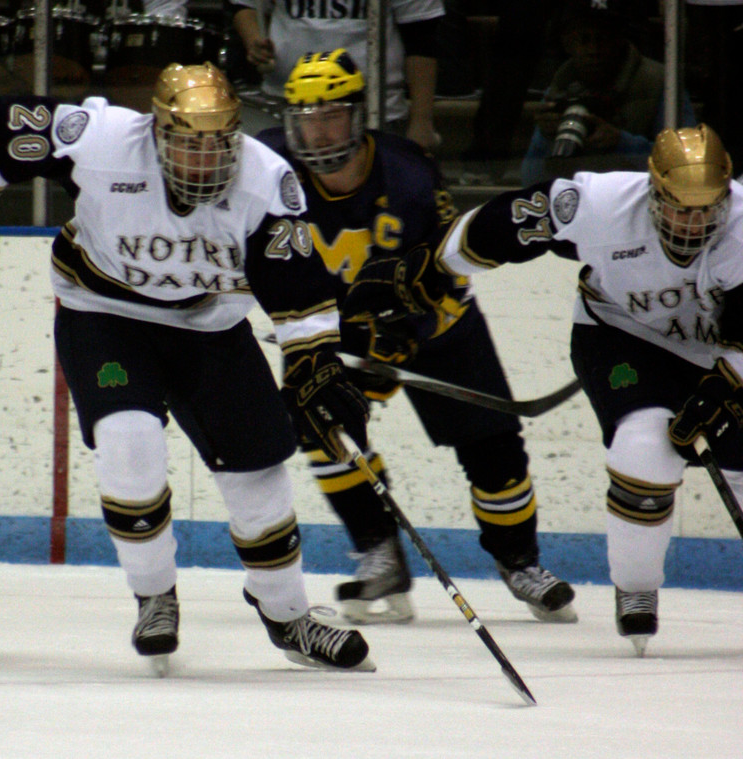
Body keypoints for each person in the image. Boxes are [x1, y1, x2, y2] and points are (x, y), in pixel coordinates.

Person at [0, 62, 375, 674]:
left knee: (259, 474)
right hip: (103, 315)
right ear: (155, 134)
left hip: (210, 328)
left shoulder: (268, 180)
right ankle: (155, 597)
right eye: (188, 144)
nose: (205, 161)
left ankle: (287, 616)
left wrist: (314, 363)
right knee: (130, 445)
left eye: (218, 145)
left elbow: (299, 293)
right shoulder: (102, 141)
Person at [344, 123, 741, 655]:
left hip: (722, 353)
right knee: (644, 448)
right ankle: (638, 589)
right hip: (622, 339)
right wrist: (430, 266)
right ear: (653, 192)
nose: (693, 224)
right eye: (679, 208)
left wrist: (731, 384)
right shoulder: (599, 205)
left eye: (706, 210)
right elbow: (503, 224)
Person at [255, 48, 577, 624]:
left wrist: (409, 332)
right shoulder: (267, 166)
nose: (316, 131)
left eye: (330, 116)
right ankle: (379, 554)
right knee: (323, 427)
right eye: (304, 118)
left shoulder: (408, 174)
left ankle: (519, 562)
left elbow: (449, 265)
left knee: (494, 450)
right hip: (344, 332)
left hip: (439, 323)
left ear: (358, 116)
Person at [520, 0, 697, 185]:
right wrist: (547, 139)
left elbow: (687, 164)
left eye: (602, 39)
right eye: (584, 39)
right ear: (567, 43)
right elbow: (530, 180)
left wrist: (622, 143)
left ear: (620, 40)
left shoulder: (660, 83)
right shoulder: (559, 87)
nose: (593, 50)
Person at [230, 0, 445, 150]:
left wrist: (421, 121)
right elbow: (245, 5)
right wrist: (254, 39)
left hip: (376, 108)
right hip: (285, 103)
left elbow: (422, 39)